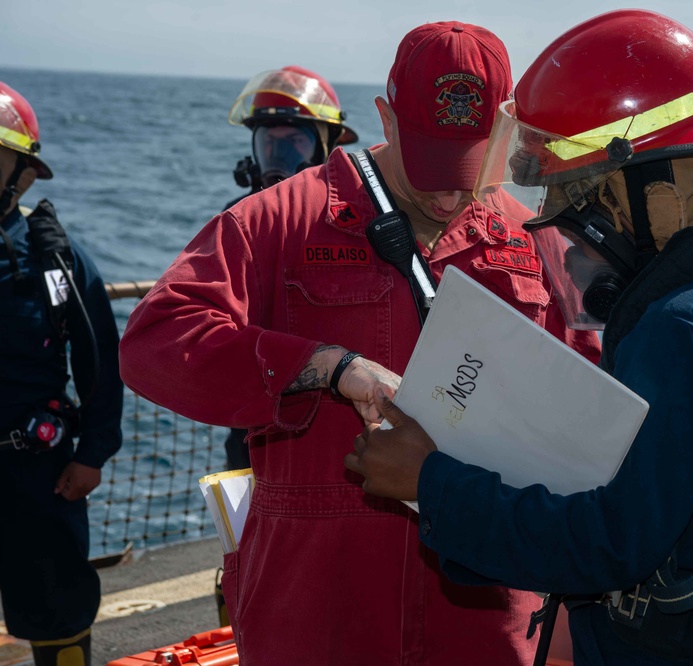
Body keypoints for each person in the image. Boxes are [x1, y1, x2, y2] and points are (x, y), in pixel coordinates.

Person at [118, 20, 600, 665]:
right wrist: (327, 367)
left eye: (468, 164)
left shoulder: (532, 237)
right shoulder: (277, 220)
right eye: (430, 163)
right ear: (386, 118)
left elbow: (590, 394)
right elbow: (156, 340)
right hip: (317, 602)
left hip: (484, 604)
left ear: (508, 132)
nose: (449, 191)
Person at [345, 9, 693, 665]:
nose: (580, 226)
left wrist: (431, 481)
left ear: (649, 182)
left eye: (588, 195)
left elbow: (612, 544)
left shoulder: (683, 326)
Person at [0, 81, 124, 666]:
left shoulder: (56, 258)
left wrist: (92, 455)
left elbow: (99, 359)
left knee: (58, 610)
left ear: (21, 173)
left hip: (36, 472)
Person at [222, 65, 359, 470]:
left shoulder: (361, 226)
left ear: (326, 148)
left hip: (340, 430)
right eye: (271, 144)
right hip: (255, 435)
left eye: (294, 143)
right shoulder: (236, 225)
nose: (279, 160)